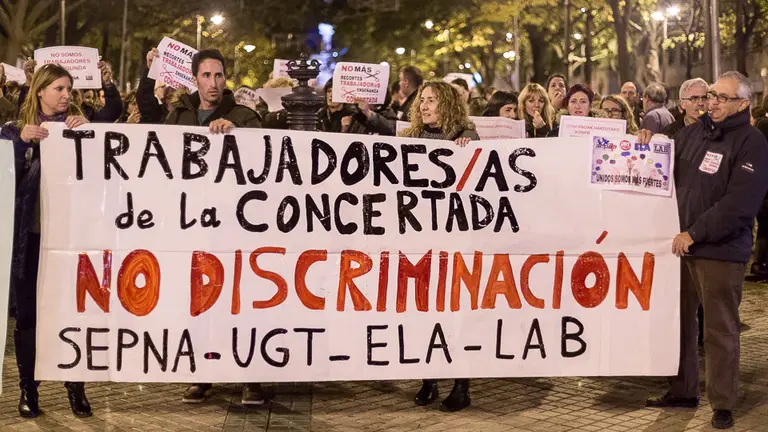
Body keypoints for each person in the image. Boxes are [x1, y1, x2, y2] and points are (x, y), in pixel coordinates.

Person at [643, 71, 768, 430]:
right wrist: (646, 140)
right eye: (712, 95)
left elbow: (740, 202)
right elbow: (661, 164)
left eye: (722, 97)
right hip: (681, 247)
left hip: (719, 251)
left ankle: (723, 403)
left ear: (742, 103)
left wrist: (695, 233)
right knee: (679, 323)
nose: (712, 102)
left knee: (719, 329)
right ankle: (682, 390)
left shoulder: (752, 142)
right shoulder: (694, 133)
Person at [156, 49, 263, 404]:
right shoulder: (177, 116)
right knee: (200, 302)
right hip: (193, 227)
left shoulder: (243, 116)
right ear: (195, 78)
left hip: (235, 227)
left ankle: (250, 377)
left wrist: (236, 134)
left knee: (240, 300)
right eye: (206, 75)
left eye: (219, 75)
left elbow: (264, 157)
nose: (214, 83)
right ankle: (202, 372)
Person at [0, 64, 91, 418]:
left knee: (73, 311)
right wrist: (20, 143)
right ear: (40, 90)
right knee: (28, 317)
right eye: (59, 88)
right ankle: (29, 389)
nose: (66, 95)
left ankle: (75, 386)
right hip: (30, 242)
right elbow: (6, 182)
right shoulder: (13, 132)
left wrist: (90, 136)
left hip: (70, 241)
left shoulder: (80, 128)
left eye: (69, 89)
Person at [399, 81, 478, 412]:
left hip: (454, 241)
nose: (424, 106)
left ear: (446, 104)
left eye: (431, 100)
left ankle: (461, 385)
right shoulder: (411, 138)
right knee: (423, 312)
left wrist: (467, 151)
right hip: (420, 241)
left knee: (455, 315)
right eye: (422, 100)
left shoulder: (465, 136)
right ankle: (429, 379)